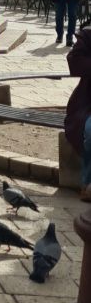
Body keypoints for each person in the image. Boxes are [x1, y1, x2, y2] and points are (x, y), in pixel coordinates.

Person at [64, 27, 91, 200]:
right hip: (88, 105)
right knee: (90, 131)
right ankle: (87, 183)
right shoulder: (89, 36)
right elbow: (74, 61)